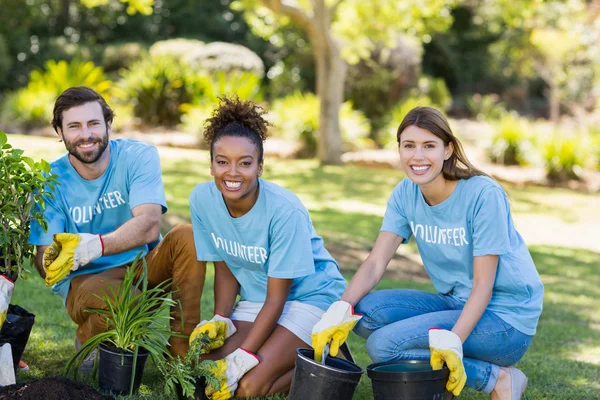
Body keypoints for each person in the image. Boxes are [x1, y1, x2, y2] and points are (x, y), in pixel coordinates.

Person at [311, 106, 544, 400]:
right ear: (399, 150)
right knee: (365, 312)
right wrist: (340, 309)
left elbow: (483, 286)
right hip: (455, 302)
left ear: (447, 150)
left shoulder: (483, 196)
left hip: (506, 319)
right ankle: (445, 368)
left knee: (383, 346)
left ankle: (498, 379)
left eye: (429, 146)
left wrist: (454, 340)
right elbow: (376, 262)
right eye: (409, 146)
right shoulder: (405, 193)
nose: (417, 157)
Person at [28, 86, 205, 363]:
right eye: (74, 126)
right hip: (86, 281)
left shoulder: (138, 156)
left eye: (93, 123)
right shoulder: (49, 180)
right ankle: (90, 336)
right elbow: (43, 258)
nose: (86, 135)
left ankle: (181, 353)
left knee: (187, 236)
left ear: (109, 124)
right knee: (126, 304)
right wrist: (51, 259)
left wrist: (95, 245)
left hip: (143, 269)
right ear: (59, 132)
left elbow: (148, 224)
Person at [187, 96, 346, 400]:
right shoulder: (202, 200)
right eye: (222, 162)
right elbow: (225, 267)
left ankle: (320, 361)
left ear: (260, 167)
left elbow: (278, 298)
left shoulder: (284, 211)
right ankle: (282, 347)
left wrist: (244, 356)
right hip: (258, 299)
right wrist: (221, 319)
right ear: (211, 166)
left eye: (245, 163)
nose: (232, 173)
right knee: (205, 368)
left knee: (247, 385)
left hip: (310, 298)